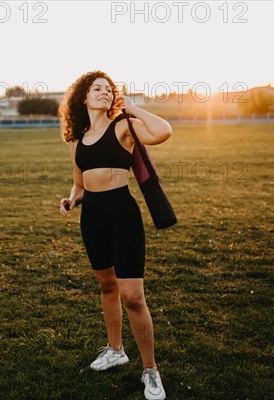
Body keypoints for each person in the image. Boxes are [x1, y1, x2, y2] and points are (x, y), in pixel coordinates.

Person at [58, 70, 172, 400]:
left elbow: (163, 132)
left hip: (123, 215)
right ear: (83, 97)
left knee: (133, 296)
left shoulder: (122, 127)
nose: (105, 93)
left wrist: (131, 109)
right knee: (107, 285)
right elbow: (79, 183)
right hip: (92, 218)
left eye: (109, 89)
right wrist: (71, 199)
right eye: (97, 89)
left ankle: (150, 370)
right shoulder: (76, 141)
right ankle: (115, 349)